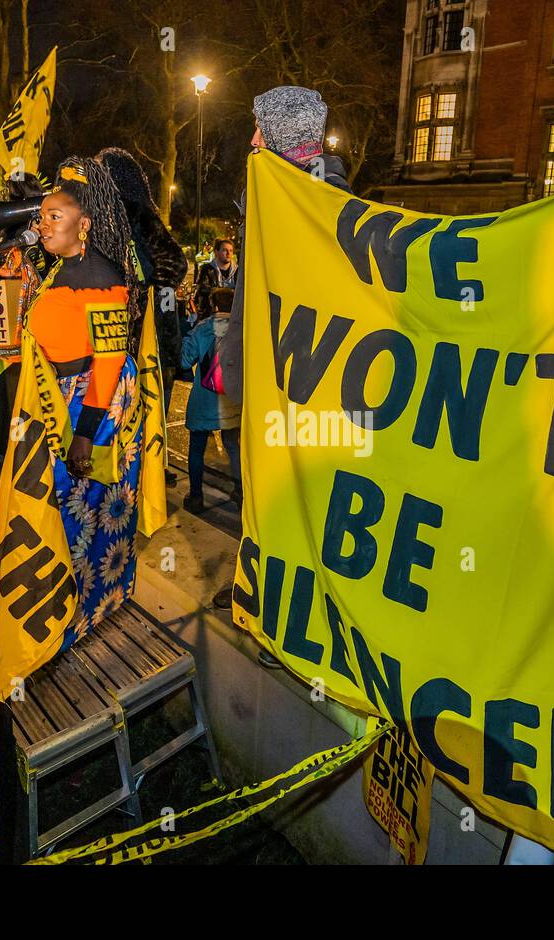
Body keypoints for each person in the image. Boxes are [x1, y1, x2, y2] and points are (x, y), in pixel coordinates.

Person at [212, 85, 351, 621]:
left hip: (298, 396)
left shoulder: (318, 207)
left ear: (284, 137)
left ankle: (290, 618)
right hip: (271, 392)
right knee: (261, 502)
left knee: (293, 508)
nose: (250, 140)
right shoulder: (278, 201)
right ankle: (259, 587)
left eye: (259, 130)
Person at [23, 155, 145, 643]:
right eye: (42, 216)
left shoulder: (102, 276)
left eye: (55, 216)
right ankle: (70, 606)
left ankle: (89, 610)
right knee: (72, 508)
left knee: (89, 506)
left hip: (94, 402)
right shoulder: (58, 269)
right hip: (62, 392)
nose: (43, 224)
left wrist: (84, 436)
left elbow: (111, 362)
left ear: (85, 224)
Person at [97, 146, 188, 483]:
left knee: (147, 403)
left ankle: (150, 469)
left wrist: (143, 286)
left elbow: (176, 263)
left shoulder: (136, 214)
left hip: (150, 335)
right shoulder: (107, 215)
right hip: (131, 334)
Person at [181, 286, 242, 514]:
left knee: (196, 447)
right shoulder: (242, 329)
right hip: (232, 401)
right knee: (232, 446)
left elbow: (185, 362)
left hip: (204, 400)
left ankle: (196, 497)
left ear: (214, 306)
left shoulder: (202, 329)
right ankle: (240, 492)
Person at [194, 238, 237, 320]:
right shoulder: (207, 269)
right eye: (225, 250)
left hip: (233, 315)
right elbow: (202, 289)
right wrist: (228, 292)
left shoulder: (238, 270)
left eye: (231, 250)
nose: (228, 253)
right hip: (211, 314)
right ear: (216, 252)